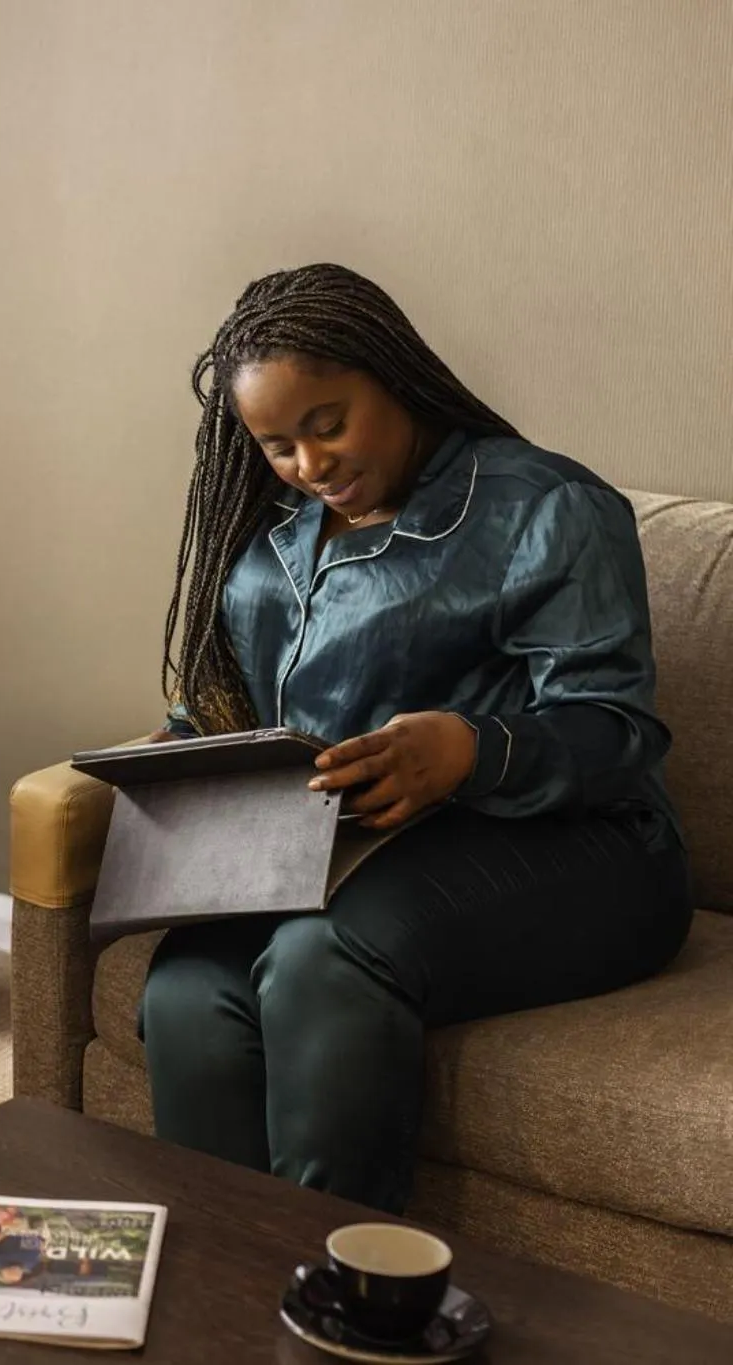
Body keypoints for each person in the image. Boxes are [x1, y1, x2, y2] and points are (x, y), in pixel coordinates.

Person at [139, 263, 691, 1214]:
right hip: (348, 849)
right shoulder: (266, 533)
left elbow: (618, 731)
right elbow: (235, 703)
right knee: (188, 986)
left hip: (585, 851)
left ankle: (346, 1299)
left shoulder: (548, 508)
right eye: (277, 444)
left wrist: (469, 750)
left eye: (329, 424)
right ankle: (229, 1294)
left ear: (394, 377)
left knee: (324, 959)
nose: (309, 466)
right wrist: (180, 753)